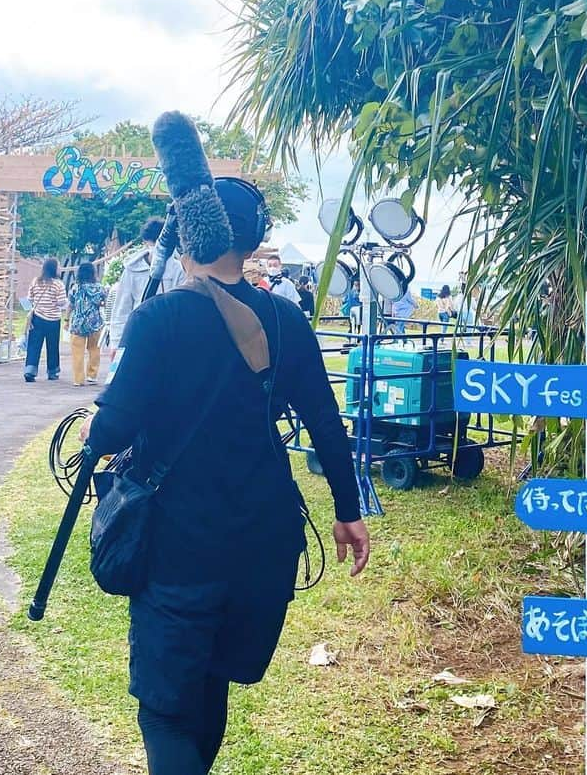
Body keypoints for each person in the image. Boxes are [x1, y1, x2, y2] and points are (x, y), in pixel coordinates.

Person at [83, 176, 369, 775]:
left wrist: (96, 428)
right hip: (262, 544)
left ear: (187, 234)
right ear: (255, 237)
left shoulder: (159, 319)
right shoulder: (286, 320)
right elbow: (325, 420)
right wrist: (348, 511)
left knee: (164, 709)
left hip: (176, 545)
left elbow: (111, 431)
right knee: (210, 685)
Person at [109, 217, 186, 354]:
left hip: (168, 338)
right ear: (145, 242)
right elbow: (122, 308)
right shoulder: (131, 270)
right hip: (137, 335)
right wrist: (117, 343)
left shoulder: (178, 269)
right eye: (154, 243)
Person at [24, 257, 67, 382]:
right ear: (55, 269)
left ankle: (30, 371)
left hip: (37, 317)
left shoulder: (35, 281)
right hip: (53, 320)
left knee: (34, 345)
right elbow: (61, 302)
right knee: (52, 346)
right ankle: (53, 371)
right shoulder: (58, 284)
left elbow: (30, 298)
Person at [67, 262, 107, 387]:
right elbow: (103, 303)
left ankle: (78, 379)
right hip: (94, 322)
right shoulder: (100, 288)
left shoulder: (75, 288)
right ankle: (92, 375)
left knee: (77, 352)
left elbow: (71, 305)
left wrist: (67, 320)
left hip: (78, 323)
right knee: (94, 349)